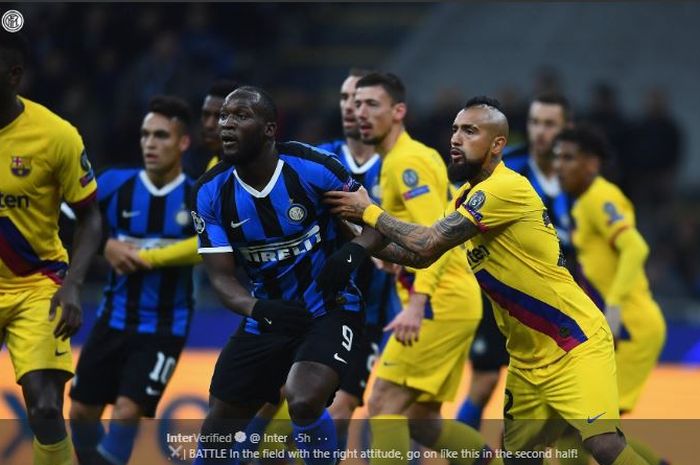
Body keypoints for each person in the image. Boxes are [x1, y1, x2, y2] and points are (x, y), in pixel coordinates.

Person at [324, 96, 651, 465]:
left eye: (470, 131)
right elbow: (419, 255)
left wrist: (368, 210)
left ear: (497, 144)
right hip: (527, 358)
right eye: (454, 130)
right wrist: (352, 229)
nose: (455, 139)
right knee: (518, 458)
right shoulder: (465, 198)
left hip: (573, 344)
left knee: (602, 444)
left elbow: (428, 241)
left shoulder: (505, 187)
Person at [190, 85, 381, 465]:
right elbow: (222, 279)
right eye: (224, 116)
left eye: (240, 116)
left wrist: (350, 256)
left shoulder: (314, 167)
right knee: (216, 432)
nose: (226, 125)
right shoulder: (209, 192)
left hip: (330, 307)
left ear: (269, 129)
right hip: (268, 316)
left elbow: (376, 222)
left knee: (303, 398)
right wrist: (258, 309)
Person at [327, 72, 488, 465]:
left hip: (439, 302)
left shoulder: (406, 163)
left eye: (372, 104)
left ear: (398, 111)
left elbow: (436, 237)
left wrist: (417, 302)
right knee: (423, 421)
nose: (360, 112)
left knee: (383, 402)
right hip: (452, 300)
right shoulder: (399, 160)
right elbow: (413, 232)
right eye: (356, 104)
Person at [69, 96, 197, 465]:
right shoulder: (113, 184)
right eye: (145, 135)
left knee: (126, 411)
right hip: (112, 318)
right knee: (79, 413)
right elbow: (68, 219)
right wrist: (104, 245)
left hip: (164, 327)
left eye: (160, 136)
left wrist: (150, 256)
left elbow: (212, 249)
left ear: (182, 142)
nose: (150, 144)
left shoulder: (197, 196)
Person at [0, 31, 102, 465]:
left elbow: (91, 217)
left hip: (36, 283)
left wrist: (74, 284)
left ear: (14, 75)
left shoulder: (56, 135)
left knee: (44, 407)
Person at [456, 92, 574, 430]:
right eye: (535, 122)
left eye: (550, 124)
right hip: (501, 298)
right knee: (484, 383)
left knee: (557, 405)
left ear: (568, 128)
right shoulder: (509, 171)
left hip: (552, 306)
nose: (540, 131)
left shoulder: (577, 180)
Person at [553, 126, 667, 465]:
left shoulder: (601, 197)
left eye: (569, 158)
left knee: (585, 430)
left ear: (592, 164)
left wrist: (614, 307)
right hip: (618, 329)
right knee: (589, 430)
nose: (559, 165)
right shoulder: (584, 202)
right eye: (557, 157)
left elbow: (635, 247)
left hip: (630, 328)